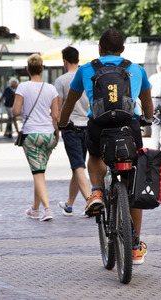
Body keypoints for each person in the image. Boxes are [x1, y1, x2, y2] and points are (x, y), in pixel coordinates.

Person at [58, 29, 154, 264]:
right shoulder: (136, 69)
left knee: (95, 156)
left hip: (98, 127)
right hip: (129, 128)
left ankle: (98, 191)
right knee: (132, 187)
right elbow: (147, 102)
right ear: (123, 50)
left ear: (99, 49)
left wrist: (63, 124)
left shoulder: (86, 69)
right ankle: (134, 245)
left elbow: (70, 101)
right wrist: (148, 119)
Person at [12, 53, 60, 222]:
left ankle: (47, 209)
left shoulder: (23, 87)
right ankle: (35, 208)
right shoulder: (51, 89)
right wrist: (57, 135)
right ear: (42, 69)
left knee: (38, 173)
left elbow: (16, 111)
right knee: (39, 171)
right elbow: (55, 115)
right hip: (48, 135)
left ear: (27, 70)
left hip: (31, 135)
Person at [54, 46, 91, 217]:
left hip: (71, 128)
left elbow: (59, 108)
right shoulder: (88, 76)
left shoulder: (61, 81)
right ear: (78, 58)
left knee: (78, 167)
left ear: (64, 61)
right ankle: (69, 204)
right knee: (78, 168)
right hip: (89, 126)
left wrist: (57, 129)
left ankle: (92, 202)